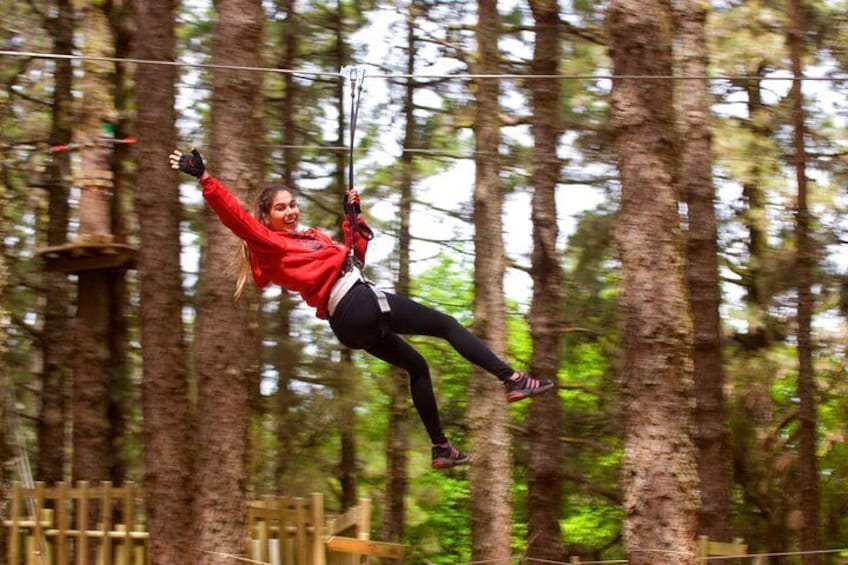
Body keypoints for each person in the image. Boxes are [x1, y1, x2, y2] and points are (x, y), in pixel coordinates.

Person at [170, 148, 555, 468]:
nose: (291, 212)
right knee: (447, 324)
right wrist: (206, 179)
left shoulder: (310, 239)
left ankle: (440, 447)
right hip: (356, 302)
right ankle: (512, 379)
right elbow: (236, 219)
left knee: (417, 366)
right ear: (266, 217)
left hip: (348, 323)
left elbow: (354, 258)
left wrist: (353, 219)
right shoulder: (269, 244)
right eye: (281, 208)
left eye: (293, 205)